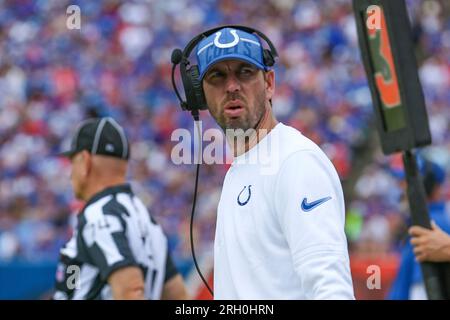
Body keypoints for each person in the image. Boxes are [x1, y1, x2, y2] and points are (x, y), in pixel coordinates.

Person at [188, 26, 354, 299]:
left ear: (269, 83)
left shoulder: (296, 161)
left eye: (245, 72)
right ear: (201, 94)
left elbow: (330, 288)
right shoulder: (239, 171)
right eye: (217, 76)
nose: (231, 86)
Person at [53, 117, 188, 300]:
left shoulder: (99, 215)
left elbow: (130, 290)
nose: (70, 173)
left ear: (85, 162)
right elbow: (177, 295)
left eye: (73, 162)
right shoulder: (145, 218)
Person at [388, 158, 450, 299]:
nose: (400, 188)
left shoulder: (430, 223)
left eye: (404, 182)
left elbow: (423, 289)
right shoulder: (427, 220)